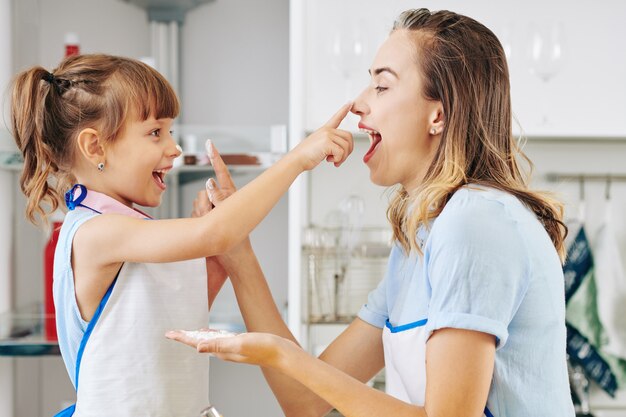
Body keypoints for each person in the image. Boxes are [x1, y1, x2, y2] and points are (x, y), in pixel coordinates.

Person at [167, 8, 576, 417]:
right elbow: (304, 400)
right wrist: (237, 252)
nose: (358, 104)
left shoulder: (476, 222)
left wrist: (285, 355)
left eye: (381, 86)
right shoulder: (420, 239)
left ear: (439, 114)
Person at [9, 53, 354, 417]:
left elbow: (168, 320)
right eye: (156, 132)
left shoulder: (130, 230)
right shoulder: (96, 232)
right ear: (95, 147)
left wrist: (215, 257)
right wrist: (298, 158)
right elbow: (216, 233)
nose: (173, 147)